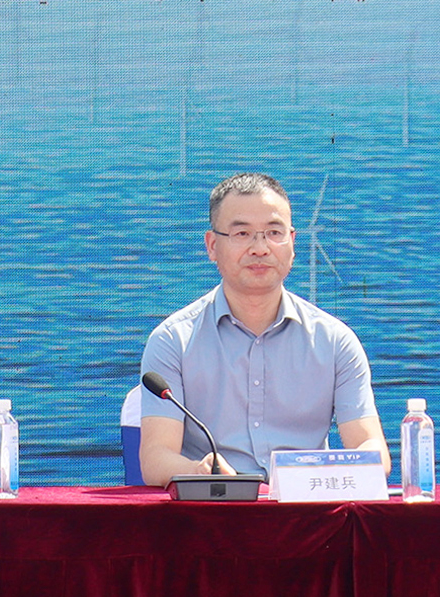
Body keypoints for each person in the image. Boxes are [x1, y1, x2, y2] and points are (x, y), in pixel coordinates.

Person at [137, 171, 383, 483]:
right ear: (212, 245)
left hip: (306, 506)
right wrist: (200, 471)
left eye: (273, 233)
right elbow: (155, 458)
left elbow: (369, 446)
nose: (260, 248)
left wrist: (345, 467)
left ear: (292, 243)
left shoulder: (335, 341)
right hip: (216, 504)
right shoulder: (173, 340)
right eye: (242, 234)